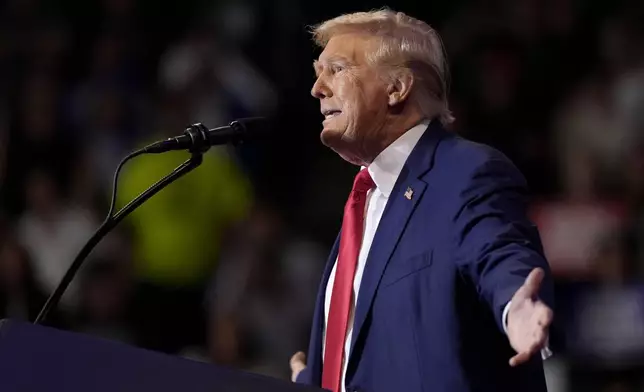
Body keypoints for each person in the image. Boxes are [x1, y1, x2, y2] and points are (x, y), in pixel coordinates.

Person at [289, 9, 554, 392]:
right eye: (318, 71)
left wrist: (517, 308)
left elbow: (498, 252)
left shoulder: (466, 172)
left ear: (397, 87)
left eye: (337, 69)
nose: (318, 87)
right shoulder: (365, 201)